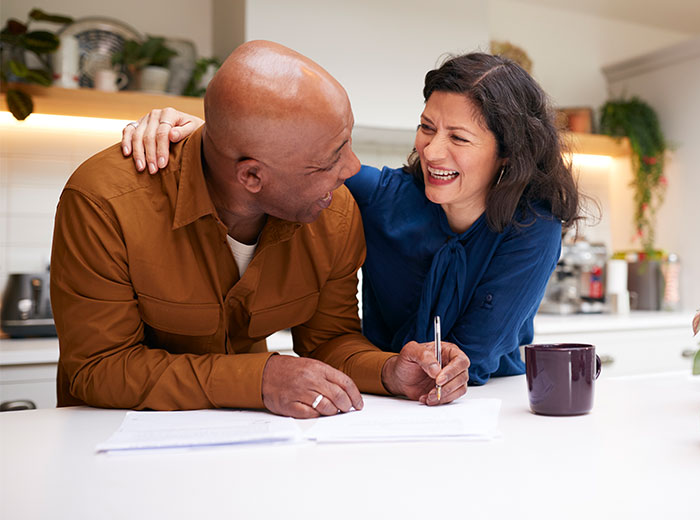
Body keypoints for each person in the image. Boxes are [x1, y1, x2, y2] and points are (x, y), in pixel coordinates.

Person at [51, 40, 469, 418]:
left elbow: (329, 340)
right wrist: (260, 379)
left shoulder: (333, 211)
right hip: (108, 445)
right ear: (251, 177)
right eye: (329, 160)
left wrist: (390, 370)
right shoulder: (104, 202)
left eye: (348, 142)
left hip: (247, 446)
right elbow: (98, 367)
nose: (352, 169)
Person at [123, 53, 587, 385]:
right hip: (381, 390)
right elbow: (290, 163)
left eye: (458, 138)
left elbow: (473, 360)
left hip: (485, 405)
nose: (432, 150)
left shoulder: (533, 227)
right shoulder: (386, 197)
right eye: (427, 128)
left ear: (508, 154)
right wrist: (204, 133)